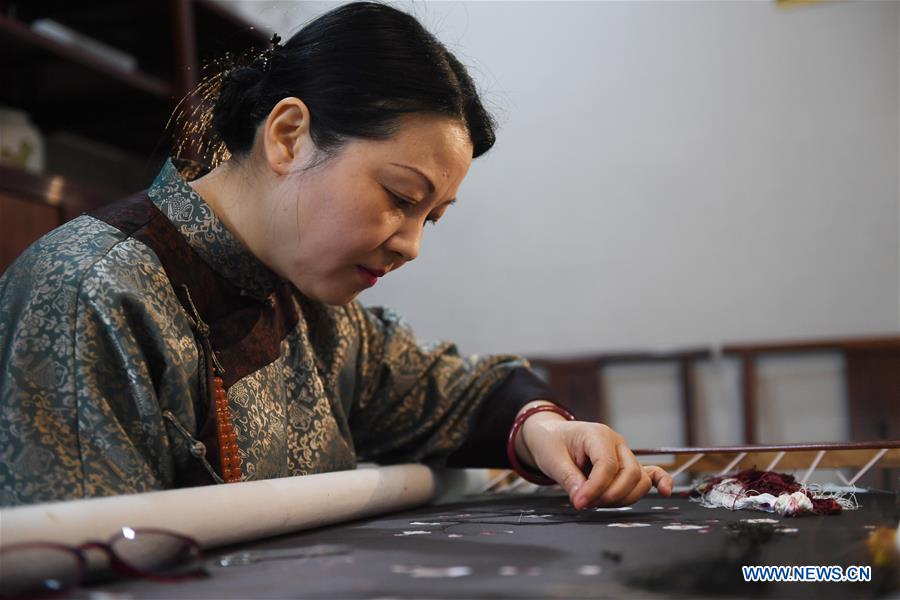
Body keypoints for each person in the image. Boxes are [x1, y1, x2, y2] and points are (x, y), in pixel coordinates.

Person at [0, 2, 671, 508]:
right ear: (289, 135)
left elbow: (450, 395)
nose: (410, 244)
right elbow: (82, 564)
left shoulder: (313, 307)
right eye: (399, 196)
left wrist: (545, 431)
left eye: (430, 217)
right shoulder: (92, 290)